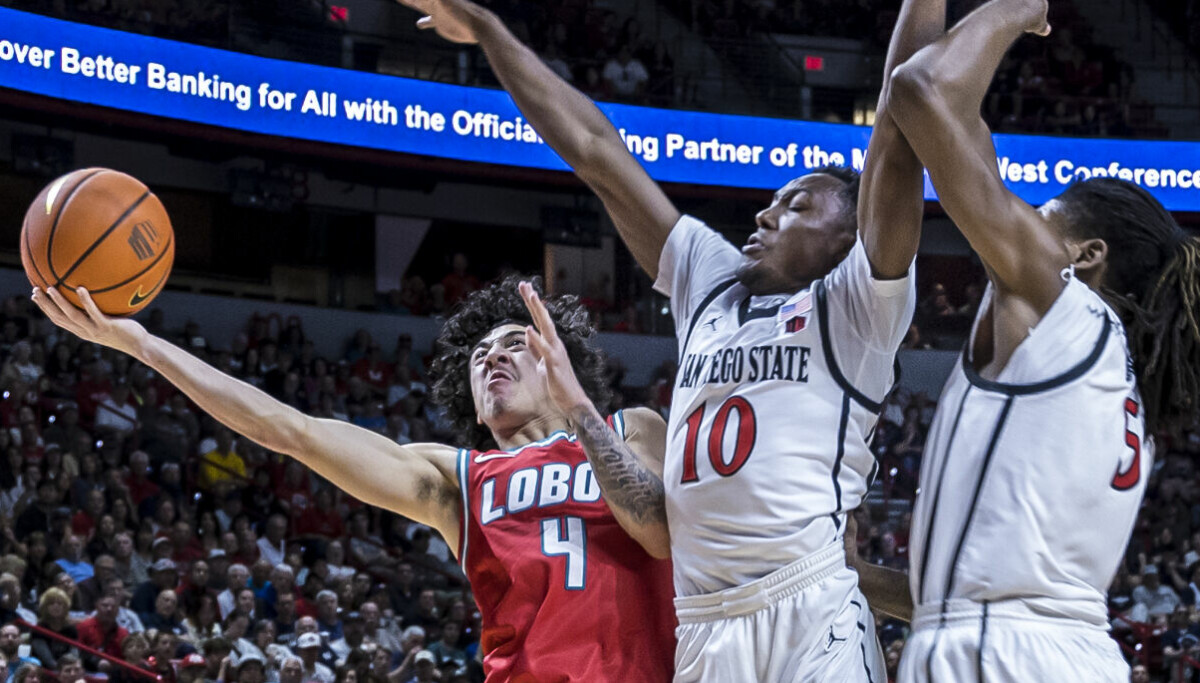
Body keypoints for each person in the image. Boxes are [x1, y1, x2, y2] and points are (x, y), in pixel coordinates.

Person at [397, 0, 931, 679]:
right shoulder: (712, 278)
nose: (766, 211)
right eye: (773, 199)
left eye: (797, 205)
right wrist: (490, 32)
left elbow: (900, 132)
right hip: (705, 621)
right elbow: (597, 153)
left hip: (810, 603)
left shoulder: (856, 306)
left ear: (848, 242)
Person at [32, 277, 676, 683]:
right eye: (479, 357)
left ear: (557, 357)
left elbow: (655, 533)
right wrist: (143, 345)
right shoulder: (457, 479)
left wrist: (583, 411)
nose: (492, 357)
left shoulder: (630, 427)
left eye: (513, 343)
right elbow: (290, 429)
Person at [882, 0, 1200, 679]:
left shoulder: (1063, 308)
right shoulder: (1114, 391)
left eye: (1041, 217)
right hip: (1055, 652)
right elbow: (967, 592)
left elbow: (920, 90)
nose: (1017, 224)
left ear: (1085, 257)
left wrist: (1018, 9)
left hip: (1005, 658)